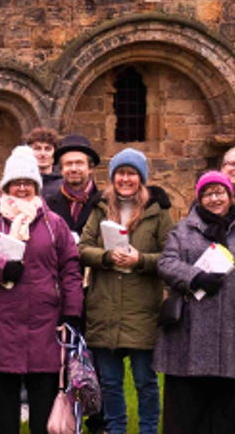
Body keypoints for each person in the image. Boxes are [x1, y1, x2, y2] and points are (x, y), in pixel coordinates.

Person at [0, 145, 80, 434]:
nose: (23, 187)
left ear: (36, 186)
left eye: (28, 182)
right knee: (4, 410)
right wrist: (0, 268)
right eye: (17, 182)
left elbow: (71, 268)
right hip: (0, 323)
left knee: (42, 408)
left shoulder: (55, 224)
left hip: (45, 325)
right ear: (6, 186)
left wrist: (73, 312)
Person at [155, 172, 235, 434]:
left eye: (219, 192)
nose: (214, 198)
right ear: (199, 198)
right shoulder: (182, 230)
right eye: (207, 193)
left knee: (228, 410)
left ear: (230, 196)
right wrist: (195, 276)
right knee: (187, 409)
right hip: (188, 335)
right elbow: (166, 263)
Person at [78, 148, 172, 434]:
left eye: (132, 173)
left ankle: (147, 430)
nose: (126, 178)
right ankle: (116, 429)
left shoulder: (158, 211)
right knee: (110, 382)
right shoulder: (100, 207)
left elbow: (170, 256)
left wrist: (140, 259)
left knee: (145, 381)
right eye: (121, 173)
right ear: (113, 177)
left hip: (142, 308)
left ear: (141, 178)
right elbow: (82, 248)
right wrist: (107, 257)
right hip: (105, 307)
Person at [43, 135, 100, 235]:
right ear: (61, 169)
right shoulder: (48, 204)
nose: (73, 169)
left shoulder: (104, 202)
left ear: (90, 168)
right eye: (68, 164)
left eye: (79, 163)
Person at [24, 128, 63, 193]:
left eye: (48, 149)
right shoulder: (21, 183)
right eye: (37, 148)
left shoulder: (64, 185)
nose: (42, 154)